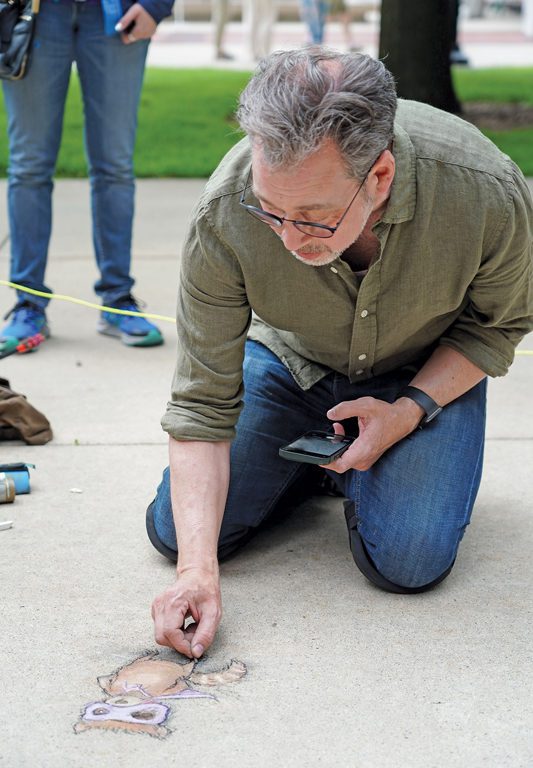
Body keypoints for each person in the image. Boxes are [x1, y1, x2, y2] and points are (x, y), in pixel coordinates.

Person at [147, 47, 533, 659]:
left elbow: (497, 326)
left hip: (422, 370)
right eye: (270, 213)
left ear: (378, 178)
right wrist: (196, 572)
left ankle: (354, 461)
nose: (290, 238)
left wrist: (408, 411)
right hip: (290, 363)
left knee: (409, 562)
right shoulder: (224, 212)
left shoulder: (485, 191)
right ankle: (313, 466)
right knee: (179, 535)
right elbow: (201, 404)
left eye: (315, 218)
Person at [0, 0, 173, 350]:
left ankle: (117, 298)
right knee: (28, 167)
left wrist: (156, 5)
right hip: (33, 12)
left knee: (115, 166)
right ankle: (28, 303)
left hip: (117, 14)